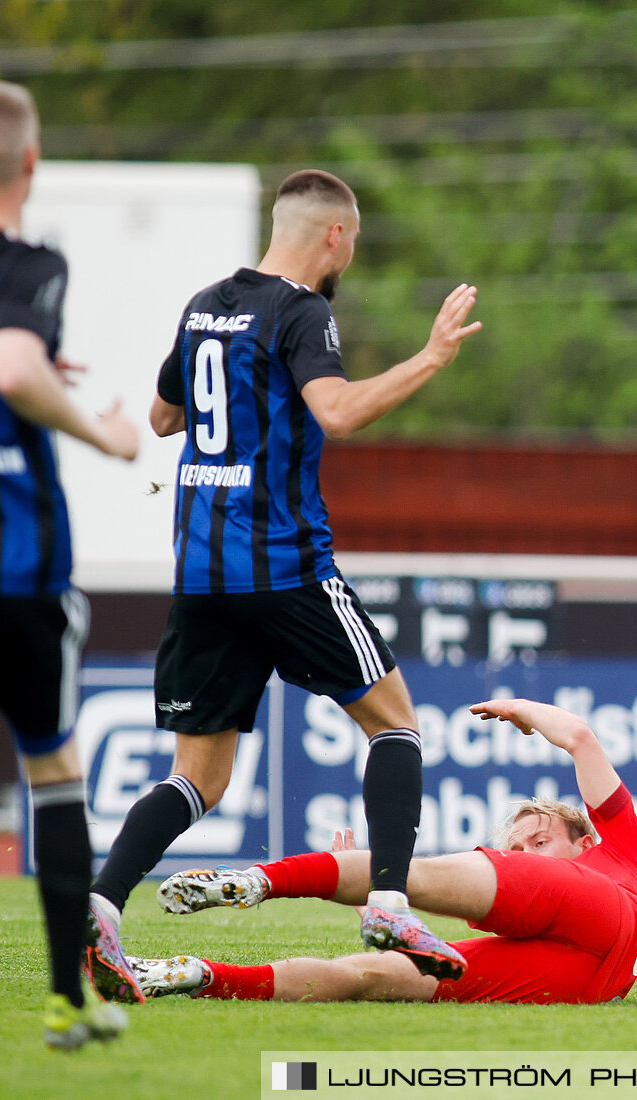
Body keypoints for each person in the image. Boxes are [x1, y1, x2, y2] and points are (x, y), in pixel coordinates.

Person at [83, 169, 483, 1000]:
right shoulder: (303, 311)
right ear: (334, 235)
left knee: (197, 777)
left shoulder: (205, 306)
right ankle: (388, 905)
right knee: (397, 725)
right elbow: (336, 412)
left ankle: (100, 907)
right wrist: (431, 357)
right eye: (355, 242)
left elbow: (164, 418)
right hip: (284, 565)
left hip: (199, 571)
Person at [0, 80, 143, 1048]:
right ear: (31, 164)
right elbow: (10, 370)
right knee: (52, 767)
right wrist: (104, 432)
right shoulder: (29, 263)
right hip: (13, 561)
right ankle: (69, 999)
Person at [125, 699, 637, 1006]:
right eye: (516, 848)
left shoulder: (619, 849)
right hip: (577, 980)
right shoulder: (530, 899)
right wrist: (373, 904)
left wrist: (520, 708)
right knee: (378, 975)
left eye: (539, 843)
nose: (523, 854)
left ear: (584, 841)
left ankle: (263, 884)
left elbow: (580, 737)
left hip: (602, 918)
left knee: (411, 877)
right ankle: (199, 974)